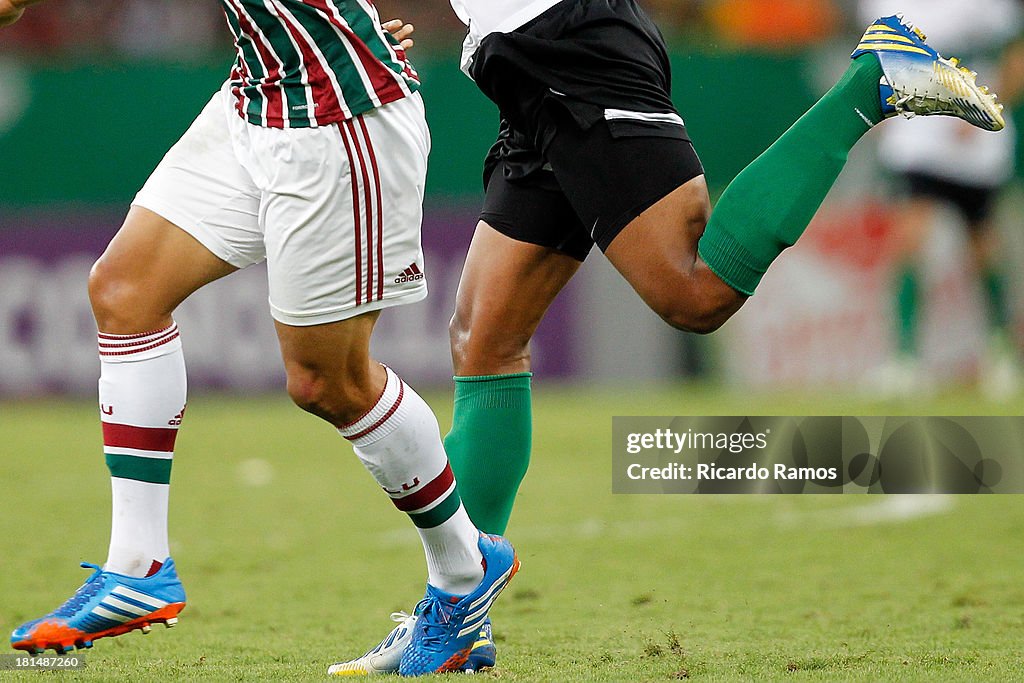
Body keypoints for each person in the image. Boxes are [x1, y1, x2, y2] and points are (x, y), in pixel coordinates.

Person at [329, 0, 1006, 675]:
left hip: (563, 38)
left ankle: (872, 82)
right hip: (521, 58)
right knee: (485, 338)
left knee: (696, 289)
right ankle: (456, 621)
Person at [1, 0, 517, 676]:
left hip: (337, 121)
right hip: (257, 96)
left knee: (329, 381)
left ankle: (464, 565)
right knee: (125, 291)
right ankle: (138, 566)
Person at [858, 0, 1024, 398]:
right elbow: (873, 60)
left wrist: (990, 105)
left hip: (974, 136)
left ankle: (1001, 355)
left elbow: (1015, 55)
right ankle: (905, 361)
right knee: (910, 240)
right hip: (918, 134)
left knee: (982, 245)